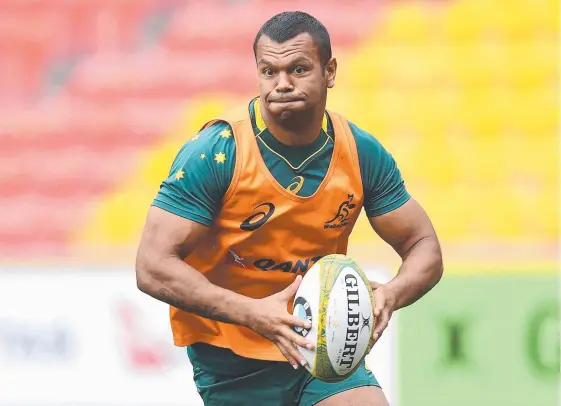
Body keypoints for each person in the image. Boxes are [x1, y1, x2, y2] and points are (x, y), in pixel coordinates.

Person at [135, 11, 443, 406]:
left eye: (298, 69)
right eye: (269, 71)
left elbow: (424, 246)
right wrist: (254, 313)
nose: (281, 84)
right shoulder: (217, 152)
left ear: (329, 71)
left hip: (322, 350)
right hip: (232, 360)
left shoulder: (360, 152)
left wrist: (391, 295)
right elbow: (151, 265)